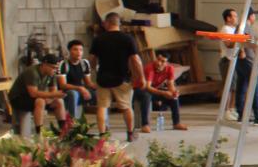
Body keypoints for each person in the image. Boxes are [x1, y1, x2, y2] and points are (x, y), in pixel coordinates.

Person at [89, 13, 143, 142]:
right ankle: (130, 133)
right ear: (119, 23)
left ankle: (102, 135)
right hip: (122, 78)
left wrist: (93, 69)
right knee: (126, 107)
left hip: (103, 78)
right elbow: (136, 60)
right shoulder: (127, 39)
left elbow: (92, 59)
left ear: (107, 23)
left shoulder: (98, 39)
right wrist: (141, 77)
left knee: (102, 107)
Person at [8, 53, 69, 135]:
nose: (54, 70)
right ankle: (39, 133)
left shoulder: (52, 74)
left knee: (59, 101)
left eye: (56, 68)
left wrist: (53, 97)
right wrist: (52, 95)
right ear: (44, 64)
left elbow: (53, 92)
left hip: (33, 97)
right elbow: (33, 93)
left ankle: (64, 131)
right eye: (53, 67)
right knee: (40, 101)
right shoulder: (32, 72)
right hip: (18, 98)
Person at [136, 49, 187, 131]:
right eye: (158, 59)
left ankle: (176, 123)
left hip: (154, 90)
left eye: (163, 61)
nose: (159, 63)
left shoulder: (170, 68)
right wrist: (164, 93)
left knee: (174, 98)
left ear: (167, 63)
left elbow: (170, 84)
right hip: (140, 89)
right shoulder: (149, 68)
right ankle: (145, 125)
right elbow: (148, 87)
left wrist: (174, 92)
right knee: (146, 96)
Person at [58, 39, 95, 122]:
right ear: (69, 51)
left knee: (100, 94)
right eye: (75, 49)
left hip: (81, 90)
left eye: (81, 50)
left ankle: (104, 125)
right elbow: (63, 85)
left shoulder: (84, 63)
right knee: (73, 94)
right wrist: (80, 88)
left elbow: (88, 83)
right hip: (67, 92)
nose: (79, 52)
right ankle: (72, 121)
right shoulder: (63, 64)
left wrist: (99, 87)